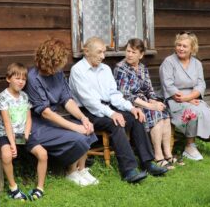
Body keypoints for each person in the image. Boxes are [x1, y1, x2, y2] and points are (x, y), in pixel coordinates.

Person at [69, 37, 167, 183]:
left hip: (107, 107)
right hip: (87, 112)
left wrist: (131, 108)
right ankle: (129, 171)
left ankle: (147, 163)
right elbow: (90, 102)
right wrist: (112, 113)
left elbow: (114, 95)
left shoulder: (105, 69)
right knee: (115, 123)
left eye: (104, 52)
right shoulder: (78, 71)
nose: (103, 56)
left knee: (136, 117)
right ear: (87, 52)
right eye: (99, 52)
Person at [23, 39, 99, 187]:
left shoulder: (57, 73)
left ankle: (81, 170)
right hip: (37, 125)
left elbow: (67, 100)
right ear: (49, 61)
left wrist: (83, 118)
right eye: (59, 62)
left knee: (88, 130)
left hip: (53, 119)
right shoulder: (33, 78)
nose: (61, 65)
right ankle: (71, 173)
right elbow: (45, 113)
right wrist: (76, 127)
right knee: (78, 136)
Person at [159, 31, 210, 161]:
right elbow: (169, 86)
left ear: (192, 48)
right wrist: (187, 99)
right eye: (178, 45)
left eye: (185, 46)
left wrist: (190, 97)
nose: (180, 48)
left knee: (208, 113)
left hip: (192, 98)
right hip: (174, 101)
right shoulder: (168, 62)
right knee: (193, 112)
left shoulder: (197, 64)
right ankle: (189, 147)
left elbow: (201, 85)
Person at [113, 38, 179, 169]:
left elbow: (149, 89)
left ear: (141, 55)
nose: (129, 55)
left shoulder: (142, 68)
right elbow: (125, 95)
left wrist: (154, 100)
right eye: (128, 51)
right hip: (130, 105)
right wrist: (150, 105)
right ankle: (158, 156)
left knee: (164, 114)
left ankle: (168, 154)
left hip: (144, 101)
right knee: (155, 114)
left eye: (133, 52)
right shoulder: (120, 68)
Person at [0, 62, 49, 200]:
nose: (21, 82)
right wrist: (13, 144)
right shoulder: (3, 97)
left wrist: (26, 134)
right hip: (6, 134)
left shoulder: (24, 97)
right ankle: (13, 188)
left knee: (43, 154)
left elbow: (29, 119)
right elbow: (7, 123)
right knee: (7, 155)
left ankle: (40, 188)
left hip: (23, 134)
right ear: (8, 79)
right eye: (17, 78)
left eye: (24, 79)